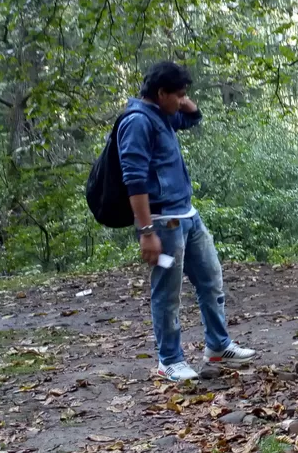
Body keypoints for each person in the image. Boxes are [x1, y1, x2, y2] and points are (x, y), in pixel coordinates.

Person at [118, 61, 255, 381]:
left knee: (211, 279)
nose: (182, 100)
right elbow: (134, 179)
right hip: (163, 224)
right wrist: (146, 231)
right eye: (177, 94)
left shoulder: (162, 114)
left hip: (188, 217)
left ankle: (218, 346)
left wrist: (182, 99)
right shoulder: (138, 121)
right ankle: (170, 359)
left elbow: (193, 117)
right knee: (167, 292)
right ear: (160, 93)